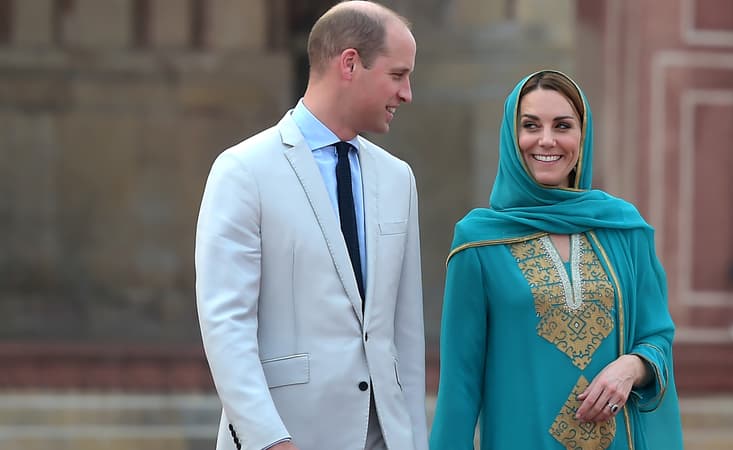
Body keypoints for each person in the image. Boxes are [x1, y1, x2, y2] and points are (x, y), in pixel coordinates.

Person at [195, 2, 427, 449]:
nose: (407, 94)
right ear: (350, 63)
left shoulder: (399, 179)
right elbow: (225, 323)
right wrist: (268, 439)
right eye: (398, 75)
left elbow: (405, 335)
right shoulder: (244, 170)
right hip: (288, 435)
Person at [428, 70, 684, 449]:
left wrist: (631, 367)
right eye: (531, 125)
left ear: (583, 136)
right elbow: (460, 382)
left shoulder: (623, 229)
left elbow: (656, 336)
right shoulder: (478, 242)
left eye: (562, 126)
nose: (546, 140)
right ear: (512, 137)